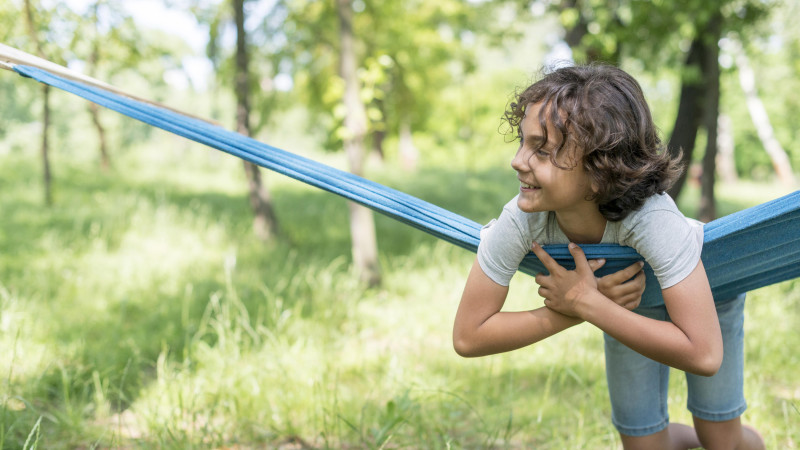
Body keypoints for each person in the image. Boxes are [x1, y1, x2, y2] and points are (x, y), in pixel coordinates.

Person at [452, 64, 764, 449]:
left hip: (709, 291)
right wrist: (575, 308)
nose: (518, 161)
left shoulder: (653, 219)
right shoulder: (521, 219)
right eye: (522, 141)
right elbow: (468, 336)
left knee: (720, 441)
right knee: (644, 446)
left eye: (543, 150)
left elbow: (705, 355)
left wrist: (588, 301)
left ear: (600, 170)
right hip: (627, 305)